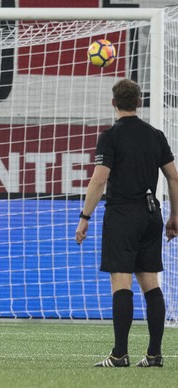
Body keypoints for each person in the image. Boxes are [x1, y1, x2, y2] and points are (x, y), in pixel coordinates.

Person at [75, 78, 178, 368]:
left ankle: (120, 354)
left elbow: (99, 179)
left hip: (122, 215)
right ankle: (155, 354)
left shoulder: (111, 136)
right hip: (151, 215)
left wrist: (85, 218)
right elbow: (174, 176)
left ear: (113, 103)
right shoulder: (156, 135)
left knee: (121, 283)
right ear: (139, 102)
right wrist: (174, 215)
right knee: (151, 285)